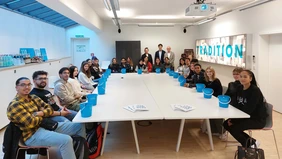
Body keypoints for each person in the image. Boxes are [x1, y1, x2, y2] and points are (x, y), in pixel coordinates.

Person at [7, 77, 86, 159]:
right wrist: (42, 115)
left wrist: (39, 113)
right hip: (32, 135)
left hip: (45, 126)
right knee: (66, 140)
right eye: (23, 85)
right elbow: (31, 123)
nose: (26, 87)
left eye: (28, 84)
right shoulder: (15, 105)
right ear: (16, 87)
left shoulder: (33, 97)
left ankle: (81, 154)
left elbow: (50, 109)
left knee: (79, 125)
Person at [223, 70, 267, 148]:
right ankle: (252, 142)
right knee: (226, 124)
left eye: (245, 77)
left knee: (234, 127)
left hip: (256, 118)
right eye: (241, 76)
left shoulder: (255, 90)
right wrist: (232, 118)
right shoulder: (239, 88)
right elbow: (235, 104)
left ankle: (249, 145)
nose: (242, 78)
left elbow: (249, 109)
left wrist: (234, 120)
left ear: (250, 78)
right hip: (244, 116)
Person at [203, 67, 224, 136]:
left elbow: (219, 92)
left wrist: (213, 98)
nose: (209, 73)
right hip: (207, 100)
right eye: (207, 72)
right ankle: (212, 130)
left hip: (215, 100)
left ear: (213, 73)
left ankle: (221, 131)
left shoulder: (216, 81)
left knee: (215, 114)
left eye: (210, 72)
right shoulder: (206, 80)